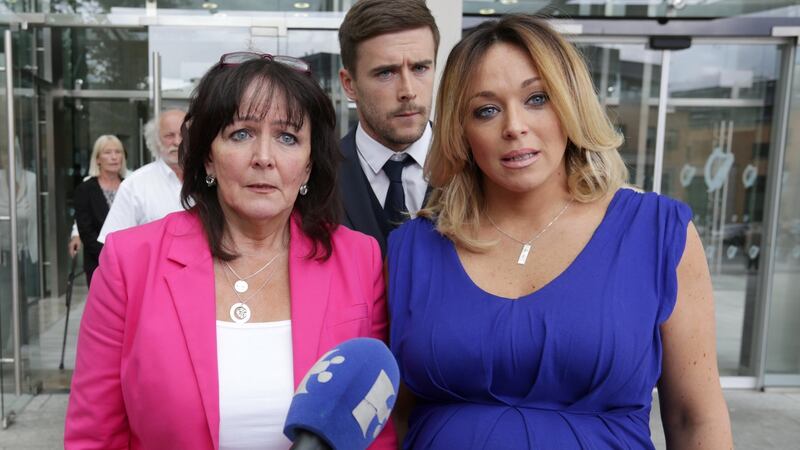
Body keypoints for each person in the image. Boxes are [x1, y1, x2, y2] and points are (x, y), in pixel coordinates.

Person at [387, 15, 733, 449]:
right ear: (461, 129)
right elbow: (393, 418)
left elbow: (695, 417)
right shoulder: (414, 247)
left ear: (571, 106)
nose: (514, 126)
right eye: (487, 110)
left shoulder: (657, 235)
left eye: (537, 98)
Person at [65, 53, 396, 449]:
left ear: (308, 166)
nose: (264, 157)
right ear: (207, 155)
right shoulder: (130, 261)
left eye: (288, 137)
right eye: (241, 134)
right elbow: (94, 434)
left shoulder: (359, 259)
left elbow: (374, 428)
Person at [337, 0, 438, 254]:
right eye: (386, 73)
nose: (408, 91)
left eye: (420, 68)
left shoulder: (476, 166)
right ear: (349, 84)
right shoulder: (316, 177)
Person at [97, 108, 186, 243]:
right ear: (156, 140)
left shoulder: (211, 178)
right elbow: (113, 243)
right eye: (169, 135)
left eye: (184, 134)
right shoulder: (134, 185)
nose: (177, 142)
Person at [73, 135, 127, 285]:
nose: (114, 157)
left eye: (118, 152)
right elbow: (86, 230)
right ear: (97, 159)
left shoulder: (129, 186)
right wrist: (109, 258)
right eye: (107, 152)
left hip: (130, 262)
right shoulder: (85, 189)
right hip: (98, 262)